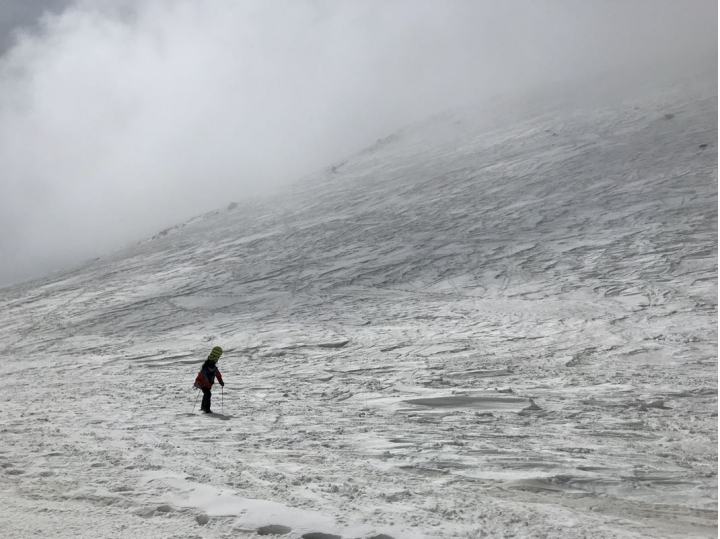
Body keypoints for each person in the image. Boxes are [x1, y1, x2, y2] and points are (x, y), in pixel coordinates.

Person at [194, 346, 224, 413]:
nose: (211, 370)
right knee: (208, 394)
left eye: (212, 369)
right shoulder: (203, 372)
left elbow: (218, 376)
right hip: (203, 385)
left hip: (209, 385)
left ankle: (203, 407)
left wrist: (221, 382)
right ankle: (207, 409)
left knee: (206, 395)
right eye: (211, 369)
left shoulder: (215, 370)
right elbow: (197, 380)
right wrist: (199, 383)